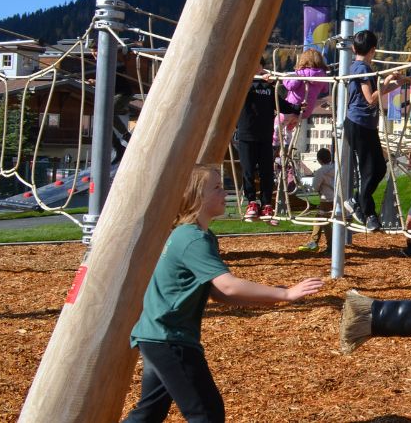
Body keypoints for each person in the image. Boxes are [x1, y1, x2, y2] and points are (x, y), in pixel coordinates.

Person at [123, 164, 323, 423]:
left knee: (149, 413)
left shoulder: (195, 235)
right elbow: (228, 285)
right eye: (217, 188)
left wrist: (276, 297)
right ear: (196, 196)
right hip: (170, 338)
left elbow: (220, 294)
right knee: (206, 414)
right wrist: (285, 294)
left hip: (156, 336)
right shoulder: (193, 239)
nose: (225, 193)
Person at [345, 30, 411, 231]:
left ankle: (358, 202)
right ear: (373, 50)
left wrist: (401, 82)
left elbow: (376, 92)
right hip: (358, 125)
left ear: (353, 48)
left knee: (380, 168)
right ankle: (368, 213)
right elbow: (371, 99)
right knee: (369, 170)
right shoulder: (361, 69)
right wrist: (385, 81)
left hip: (366, 126)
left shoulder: (363, 67)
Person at [236, 69, 278, 223]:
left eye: (260, 68)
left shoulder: (268, 87)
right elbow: (241, 94)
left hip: (265, 136)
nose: (259, 71)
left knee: (266, 172)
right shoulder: (243, 83)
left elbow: (278, 102)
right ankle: (251, 202)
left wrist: (297, 108)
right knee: (248, 170)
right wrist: (258, 81)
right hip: (246, 134)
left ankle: (267, 204)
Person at [277, 48, 329, 144]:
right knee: (289, 128)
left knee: (276, 125)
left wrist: (285, 78)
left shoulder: (301, 74)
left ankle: (274, 145)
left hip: (291, 108)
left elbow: (291, 86)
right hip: (305, 112)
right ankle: (287, 145)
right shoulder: (323, 77)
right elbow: (325, 89)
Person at [298, 148, 337, 253]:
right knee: (319, 219)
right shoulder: (336, 168)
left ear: (319, 160)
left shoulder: (320, 172)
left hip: (326, 200)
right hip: (337, 199)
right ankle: (314, 242)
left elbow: (315, 187)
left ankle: (330, 246)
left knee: (325, 222)